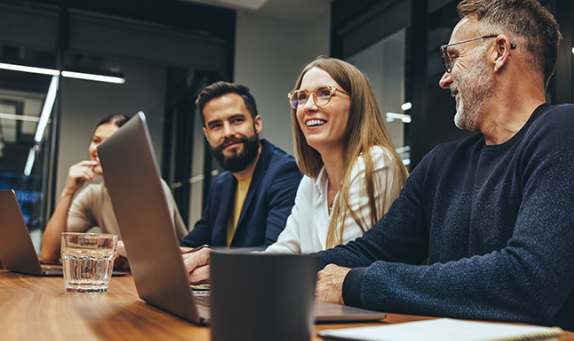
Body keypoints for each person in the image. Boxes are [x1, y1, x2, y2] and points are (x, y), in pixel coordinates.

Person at [314, 0, 574, 341]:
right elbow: (368, 252)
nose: (444, 79)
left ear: (499, 51)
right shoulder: (441, 165)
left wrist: (357, 283)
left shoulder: (569, 131)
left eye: (453, 58)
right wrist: (280, 272)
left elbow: (527, 282)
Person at [183, 57, 409, 283]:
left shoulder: (376, 162)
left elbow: (341, 265)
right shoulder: (312, 181)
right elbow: (283, 250)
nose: (309, 106)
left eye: (324, 93)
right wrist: (222, 263)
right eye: (301, 97)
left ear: (357, 104)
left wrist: (230, 270)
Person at [41, 115, 187, 264]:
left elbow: (154, 254)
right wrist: (67, 193)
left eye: (109, 142)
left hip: (179, 279)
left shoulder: (153, 188)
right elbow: (48, 253)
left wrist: (108, 249)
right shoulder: (93, 195)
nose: (98, 148)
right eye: (96, 140)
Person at [178, 81, 302, 250]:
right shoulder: (220, 184)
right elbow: (191, 244)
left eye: (236, 120)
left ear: (256, 124)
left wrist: (210, 260)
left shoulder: (285, 172)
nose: (227, 133)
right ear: (207, 135)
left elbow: (275, 253)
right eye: (216, 126)